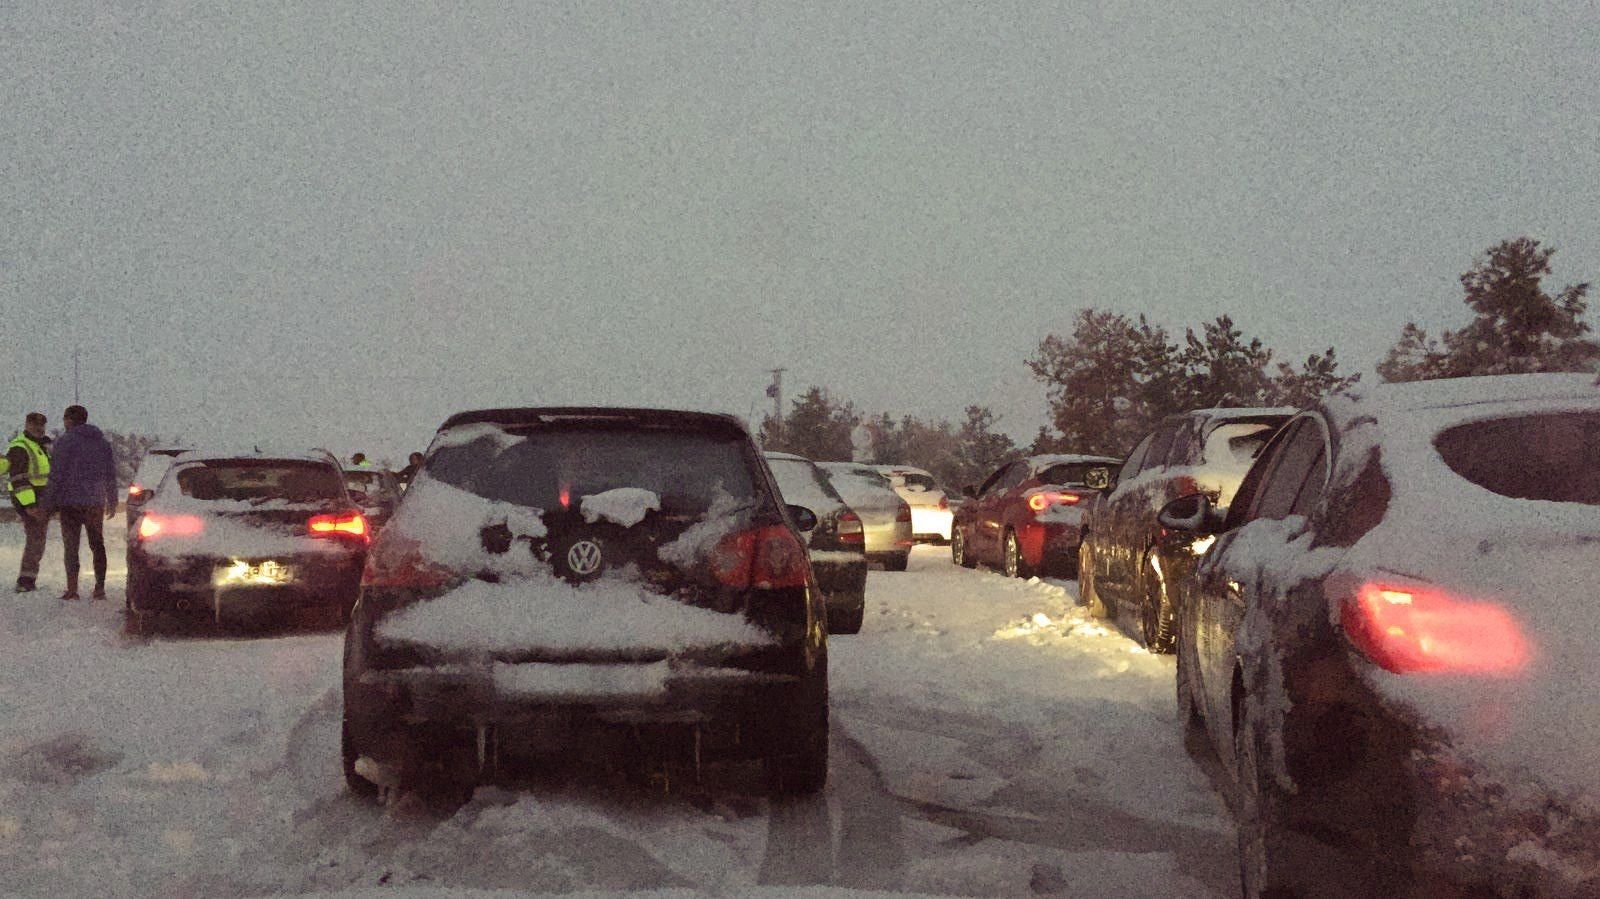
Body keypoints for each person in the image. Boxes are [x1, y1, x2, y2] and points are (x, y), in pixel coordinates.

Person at [39, 405, 117, 600]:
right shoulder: (102, 443)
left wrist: (47, 504)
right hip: (95, 502)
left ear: (69, 420)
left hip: (69, 502)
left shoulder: (65, 442)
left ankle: (72, 590)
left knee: (71, 547)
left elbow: (56, 475)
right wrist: (112, 500)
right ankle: (99, 588)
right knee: (97, 544)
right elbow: (110, 475)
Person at [5, 413, 52, 592]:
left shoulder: (41, 445)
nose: (39, 428)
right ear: (27, 424)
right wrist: (29, 505)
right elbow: (19, 479)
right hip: (31, 500)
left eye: (41, 425)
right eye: (34, 424)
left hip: (42, 498)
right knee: (36, 539)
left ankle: (28, 579)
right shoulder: (20, 447)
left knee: (37, 539)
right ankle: (25, 581)